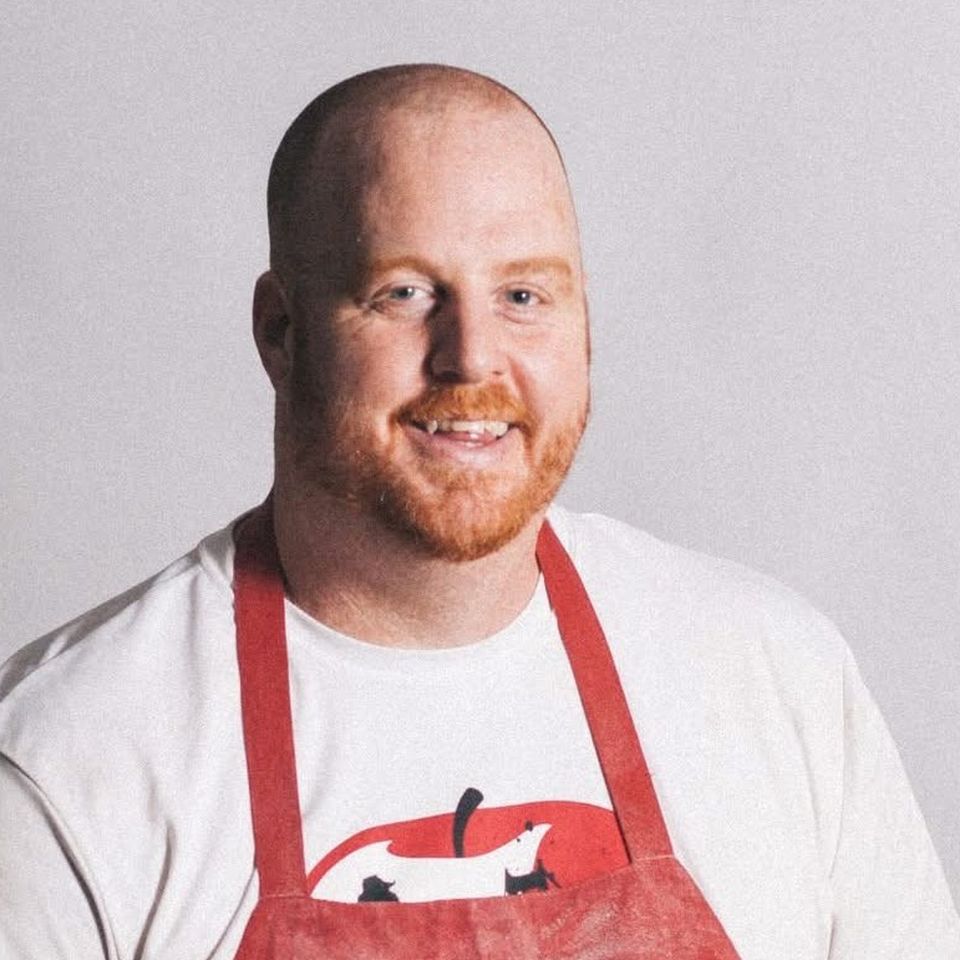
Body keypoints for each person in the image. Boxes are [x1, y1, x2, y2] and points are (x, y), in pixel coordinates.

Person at [0, 64, 957, 960]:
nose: (471, 356)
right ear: (281, 332)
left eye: (523, 294)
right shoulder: (74, 759)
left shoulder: (776, 678)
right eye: (405, 292)